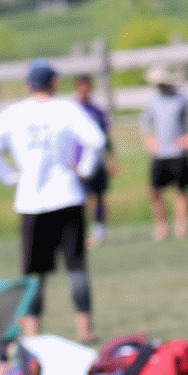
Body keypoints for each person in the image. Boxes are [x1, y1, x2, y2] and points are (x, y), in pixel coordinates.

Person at [0, 59, 105, 344]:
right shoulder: (67, 109)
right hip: (68, 196)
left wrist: (10, 176)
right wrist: (84, 169)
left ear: (28, 85)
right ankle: (85, 330)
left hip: (31, 201)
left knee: (33, 273)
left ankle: (33, 334)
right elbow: (96, 140)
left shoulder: (14, 113)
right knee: (76, 266)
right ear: (54, 83)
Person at [139, 65, 188, 242]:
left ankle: (181, 227)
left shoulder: (181, 98)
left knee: (181, 190)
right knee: (155, 191)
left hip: (178, 152)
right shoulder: (154, 101)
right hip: (160, 154)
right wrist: (148, 138)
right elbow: (144, 121)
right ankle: (162, 227)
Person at [73, 74, 116, 246]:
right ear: (77, 88)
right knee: (81, 199)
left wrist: (112, 159)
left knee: (99, 197)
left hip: (97, 162)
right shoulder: (72, 111)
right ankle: (79, 234)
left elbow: (106, 138)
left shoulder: (98, 112)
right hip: (78, 163)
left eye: (87, 86)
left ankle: (99, 232)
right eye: (81, 86)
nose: (84, 89)